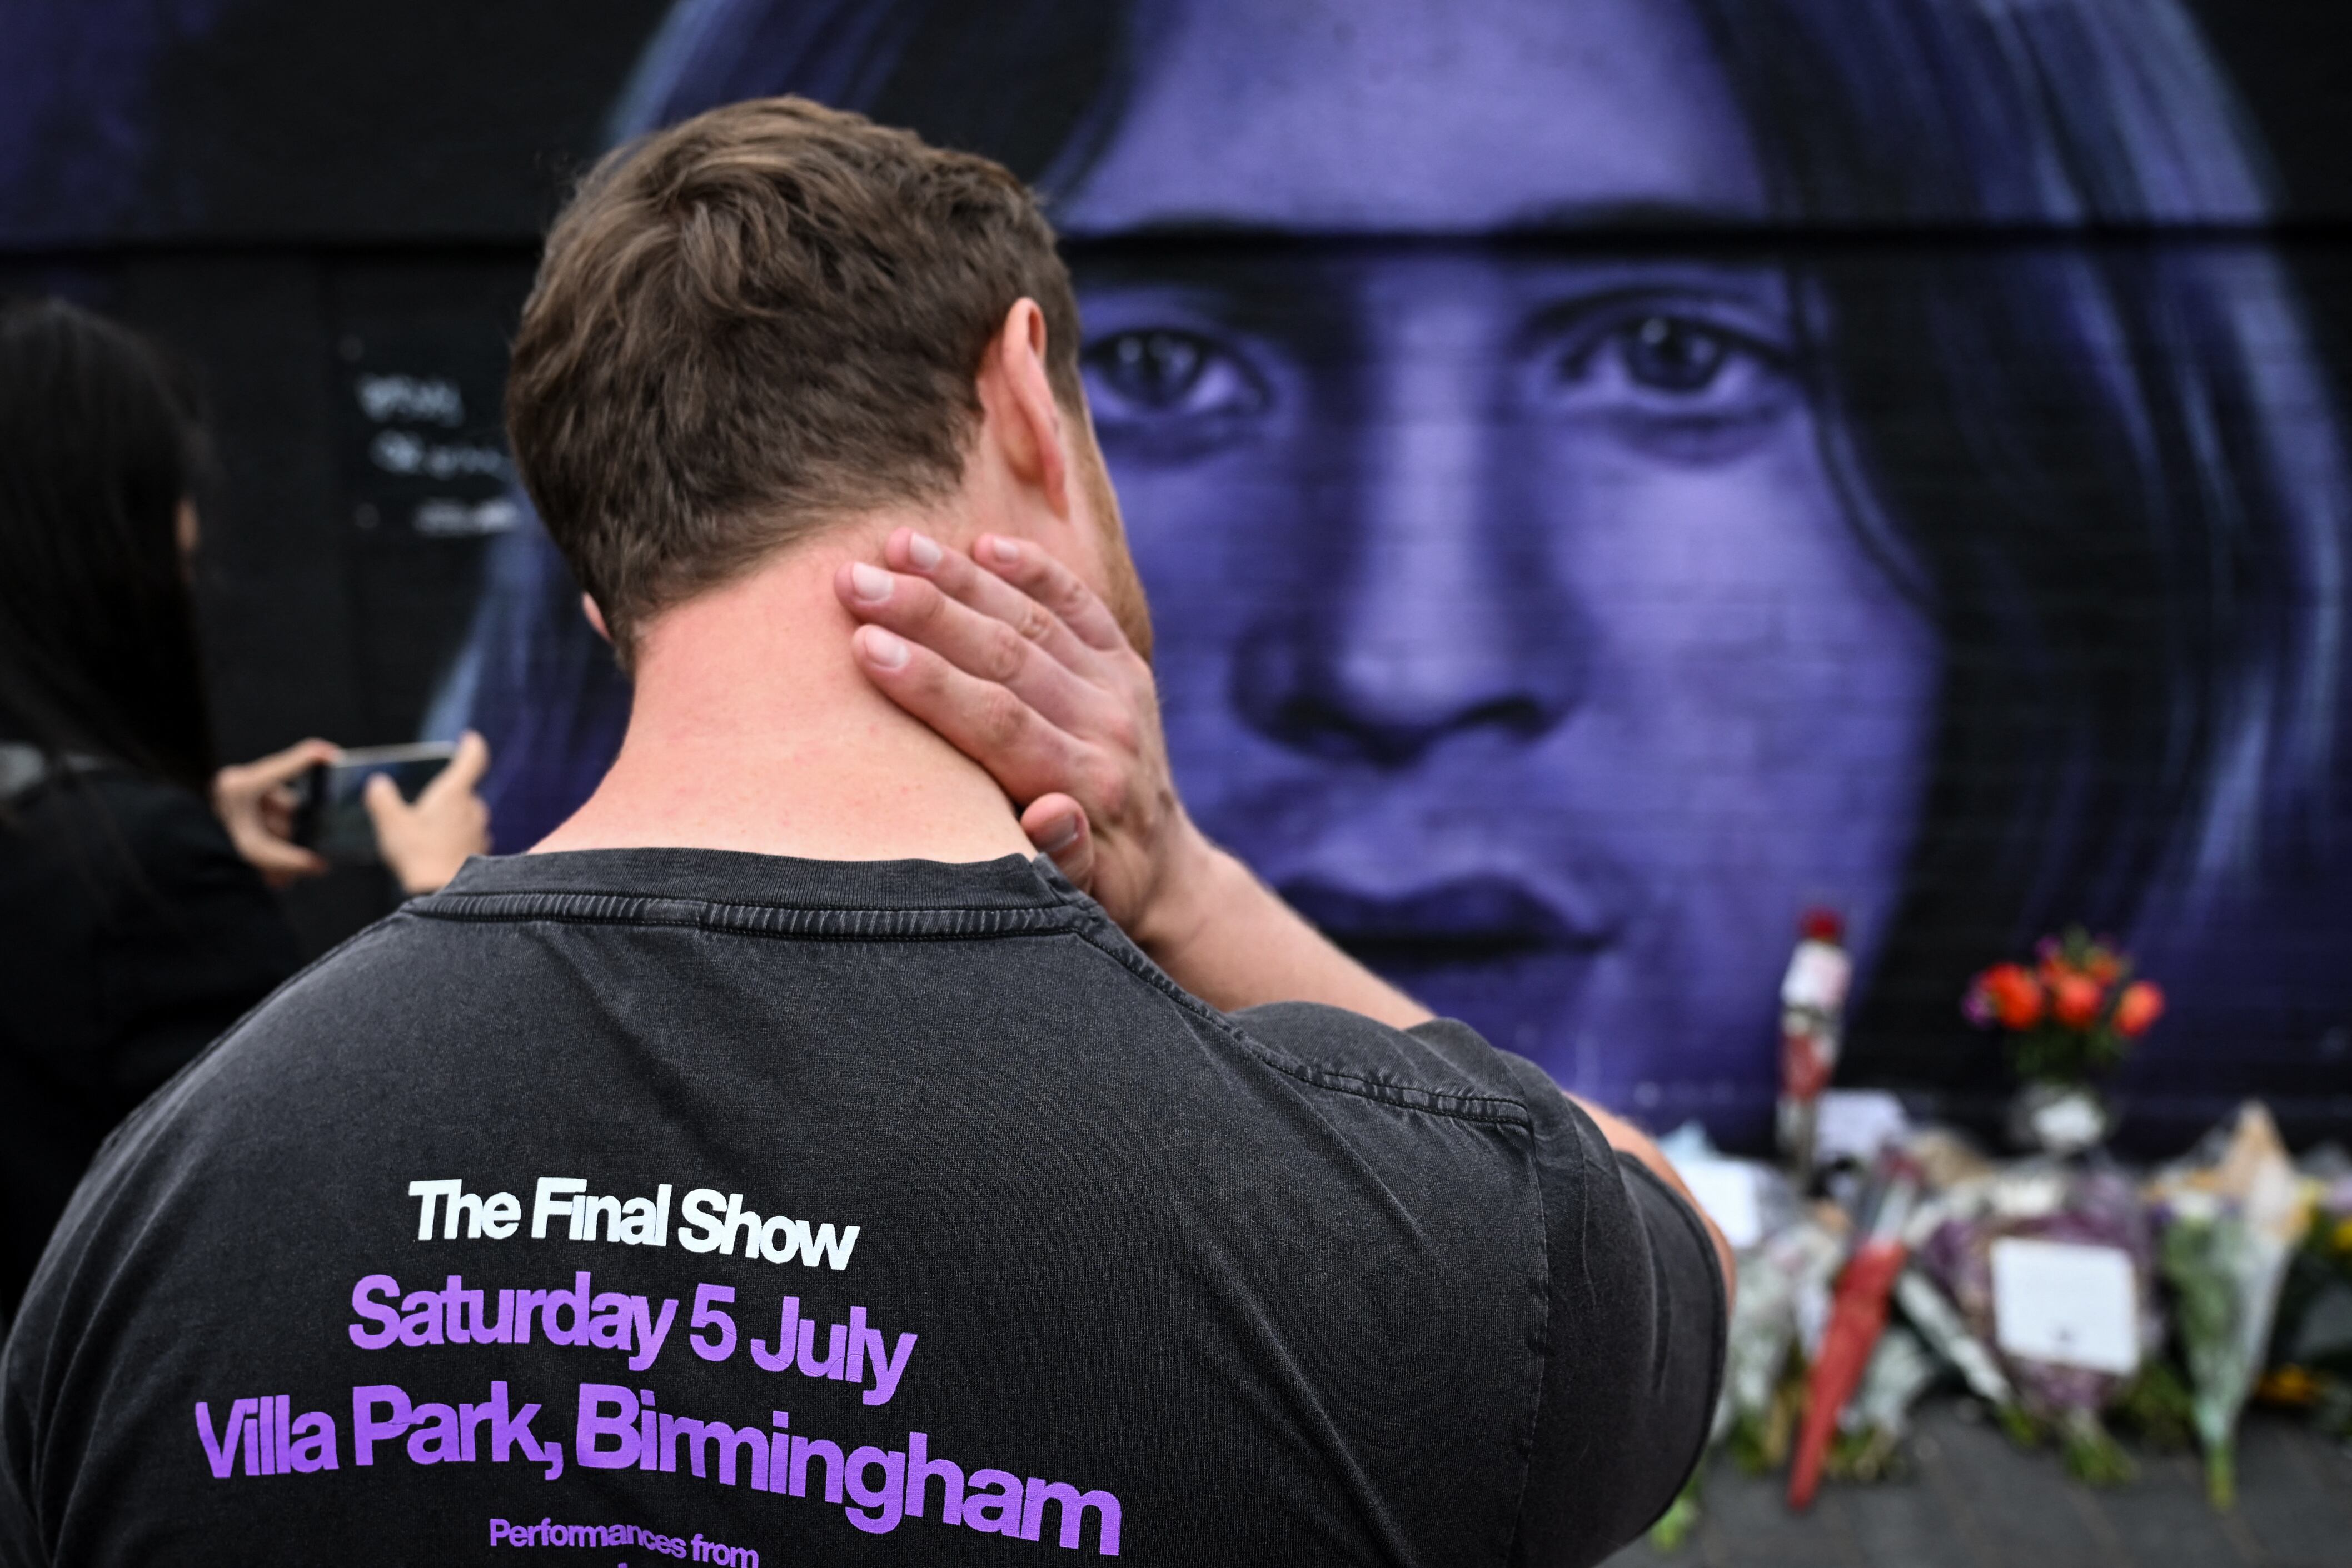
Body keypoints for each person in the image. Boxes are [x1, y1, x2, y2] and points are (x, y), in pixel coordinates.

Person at [1, 101, 1727, 1565]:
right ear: (1029, 399)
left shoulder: (160, 1216)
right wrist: (1187, 884)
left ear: (610, 597)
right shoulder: (1390, 1246)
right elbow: (1672, 1257)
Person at [441, 0, 2352, 1148]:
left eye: (1672, 356)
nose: (1407, 655)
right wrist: (1185, 878)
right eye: (1179, 372)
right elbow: (1633, 1250)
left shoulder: (242, 1159)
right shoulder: (1385, 1281)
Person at [0, 297, 492, 1315]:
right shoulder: (139, 880)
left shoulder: (94, 851)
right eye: (178, 565)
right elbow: (328, 1194)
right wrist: (452, 911)